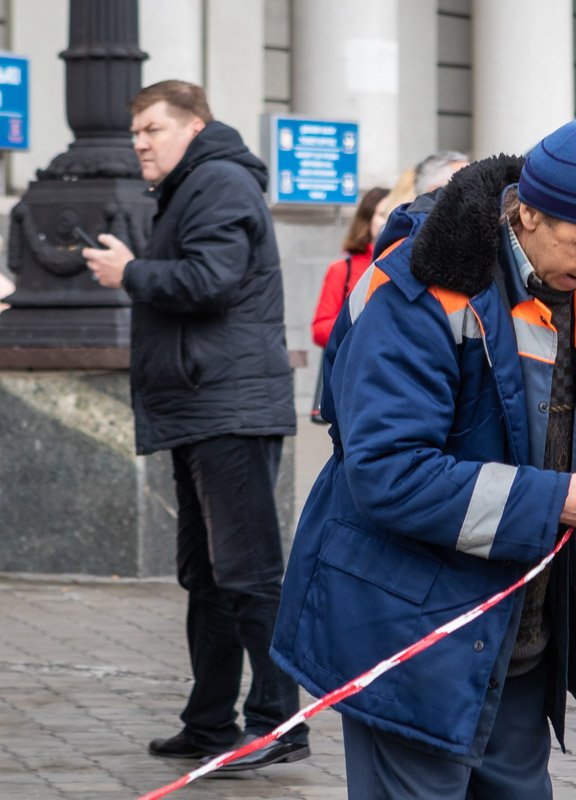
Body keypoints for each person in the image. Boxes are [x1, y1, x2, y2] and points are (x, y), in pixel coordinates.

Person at [270, 114, 576, 799]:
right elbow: (388, 474)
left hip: (519, 632)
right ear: (529, 214)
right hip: (410, 631)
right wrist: (557, 500)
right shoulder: (415, 287)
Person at [82, 80, 307, 769]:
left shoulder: (217, 182)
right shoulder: (198, 185)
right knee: (209, 576)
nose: (140, 143)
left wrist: (131, 273)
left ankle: (278, 724)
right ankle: (209, 722)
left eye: (152, 129)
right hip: (204, 406)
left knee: (247, 573)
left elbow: (211, 279)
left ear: (193, 126)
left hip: (227, 408)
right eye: (136, 133)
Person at [311, 186, 389, 351]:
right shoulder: (342, 269)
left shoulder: (408, 266)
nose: (389, 220)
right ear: (367, 220)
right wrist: (361, 322)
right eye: (382, 214)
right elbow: (319, 330)